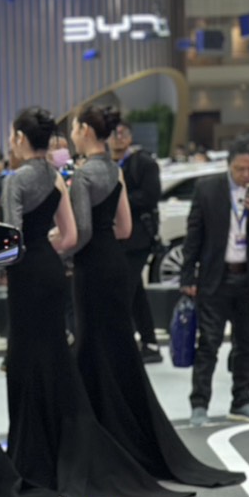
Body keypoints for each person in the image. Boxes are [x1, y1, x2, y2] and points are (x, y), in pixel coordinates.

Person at [1, 106, 186, 497]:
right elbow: (123, 229)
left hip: (53, 271)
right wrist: (57, 250)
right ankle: (117, 429)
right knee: (106, 350)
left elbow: (35, 239)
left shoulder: (49, 178)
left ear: (19, 138)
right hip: (108, 264)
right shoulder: (97, 172)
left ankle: (40, 447)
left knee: (42, 356)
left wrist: (23, 258)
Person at [70, 105, 244, 488]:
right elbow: (124, 228)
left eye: (75, 128)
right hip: (115, 262)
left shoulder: (83, 175)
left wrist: (56, 246)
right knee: (118, 349)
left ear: (85, 130)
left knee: (92, 347)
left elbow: (80, 233)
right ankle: (129, 430)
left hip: (91, 268)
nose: (72, 134)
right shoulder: (114, 171)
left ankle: (99, 433)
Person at [180, 134, 249, 426]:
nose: (247, 175)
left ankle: (242, 401)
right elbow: (194, 235)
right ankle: (199, 404)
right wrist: (188, 275)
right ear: (229, 165)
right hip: (216, 278)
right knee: (208, 344)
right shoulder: (207, 189)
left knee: (247, 345)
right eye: (241, 169)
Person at [109, 118, 164, 363]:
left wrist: (119, 201)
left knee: (125, 290)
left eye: (122, 134)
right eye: (113, 134)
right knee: (135, 291)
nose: (117, 138)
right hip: (117, 238)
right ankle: (149, 342)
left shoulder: (144, 163)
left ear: (130, 137)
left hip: (139, 237)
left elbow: (151, 195)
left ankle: (125, 346)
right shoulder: (107, 164)